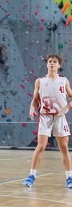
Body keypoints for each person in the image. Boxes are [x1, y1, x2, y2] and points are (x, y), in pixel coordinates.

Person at [23, 54, 72, 189]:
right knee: (41, 146)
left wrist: (70, 104)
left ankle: (69, 177)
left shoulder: (64, 81)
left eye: (54, 61)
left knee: (64, 147)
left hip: (60, 117)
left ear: (59, 65)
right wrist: (32, 108)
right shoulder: (40, 81)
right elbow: (35, 99)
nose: (52, 63)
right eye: (50, 61)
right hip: (45, 117)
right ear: (47, 64)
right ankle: (32, 175)